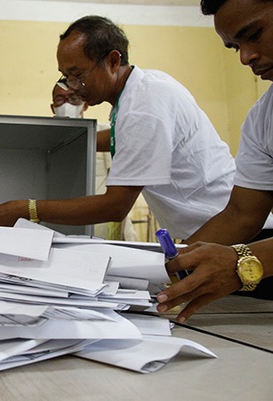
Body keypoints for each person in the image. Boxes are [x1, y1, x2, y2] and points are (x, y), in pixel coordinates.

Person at [0, 15, 254, 244]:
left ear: (112, 60)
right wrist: (53, 141)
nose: (73, 86)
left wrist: (27, 209)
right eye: (66, 77)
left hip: (238, 233)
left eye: (78, 75)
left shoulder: (142, 105)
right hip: (217, 229)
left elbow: (115, 205)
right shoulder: (143, 89)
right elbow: (123, 138)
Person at [157, 0, 273, 322]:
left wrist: (246, 259)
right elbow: (241, 213)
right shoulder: (263, 118)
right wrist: (172, 266)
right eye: (235, 46)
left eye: (255, 34)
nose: (246, 57)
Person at [50, 80, 137, 241]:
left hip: (101, 223)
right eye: (60, 99)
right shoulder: (46, 141)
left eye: (73, 99)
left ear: (84, 105)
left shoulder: (104, 134)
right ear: (53, 106)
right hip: (59, 219)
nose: (67, 104)